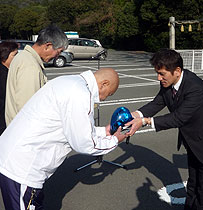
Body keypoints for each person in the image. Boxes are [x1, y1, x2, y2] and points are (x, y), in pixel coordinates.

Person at [0, 68, 128, 210]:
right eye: (108, 94)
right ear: (104, 83)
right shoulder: (80, 94)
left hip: (14, 157)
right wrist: (115, 140)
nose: (104, 98)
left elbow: (71, 127)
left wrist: (105, 131)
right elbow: (84, 144)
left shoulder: (68, 82)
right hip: (22, 169)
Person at [126, 49, 203, 210]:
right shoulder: (170, 82)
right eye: (157, 73)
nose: (158, 78)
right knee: (192, 186)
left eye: (162, 74)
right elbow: (158, 102)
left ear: (177, 71)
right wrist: (134, 115)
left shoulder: (196, 88)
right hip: (193, 142)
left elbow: (178, 118)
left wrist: (145, 121)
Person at [5, 24, 69, 125]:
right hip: (25, 132)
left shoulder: (23, 57)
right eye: (58, 52)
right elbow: (27, 108)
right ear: (48, 46)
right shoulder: (30, 65)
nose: (57, 57)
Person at [0, 41, 18, 135]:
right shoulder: (3, 75)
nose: (17, 58)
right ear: (4, 56)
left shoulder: (7, 71)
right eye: (14, 55)